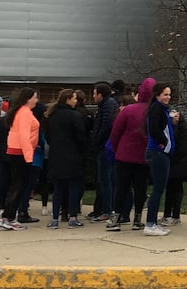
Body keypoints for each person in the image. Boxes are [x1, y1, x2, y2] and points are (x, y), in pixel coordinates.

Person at [108, 79, 152, 232]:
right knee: (140, 188)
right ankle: (138, 218)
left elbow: (116, 132)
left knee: (121, 187)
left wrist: (117, 148)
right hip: (144, 156)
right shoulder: (152, 111)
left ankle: (116, 217)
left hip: (124, 154)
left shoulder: (128, 110)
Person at [45, 88, 88, 228]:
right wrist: (82, 151)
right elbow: (80, 137)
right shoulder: (74, 116)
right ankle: (73, 216)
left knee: (58, 187)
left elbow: (48, 137)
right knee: (73, 187)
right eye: (74, 98)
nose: (76, 101)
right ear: (68, 99)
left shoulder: (52, 115)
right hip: (72, 155)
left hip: (56, 155)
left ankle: (55, 218)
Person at [0, 87, 40, 230]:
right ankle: (9, 217)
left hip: (17, 151)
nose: (37, 100)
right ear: (28, 98)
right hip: (21, 153)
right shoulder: (24, 113)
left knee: (17, 185)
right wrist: (29, 156)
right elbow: (24, 135)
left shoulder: (22, 112)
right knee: (19, 186)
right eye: (35, 97)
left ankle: (8, 216)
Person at [142, 81, 178, 236]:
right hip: (157, 152)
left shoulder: (162, 109)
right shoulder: (157, 109)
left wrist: (173, 122)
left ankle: (153, 222)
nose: (168, 97)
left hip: (159, 152)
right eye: (165, 94)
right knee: (158, 189)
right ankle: (150, 224)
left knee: (159, 188)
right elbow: (154, 129)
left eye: (169, 94)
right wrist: (163, 143)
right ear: (157, 95)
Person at [88, 79, 123, 222]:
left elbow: (106, 126)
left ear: (101, 95)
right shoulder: (107, 105)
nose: (93, 96)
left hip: (105, 148)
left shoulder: (108, 106)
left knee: (105, 179)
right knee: (107, 179)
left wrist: (96, 140)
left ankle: (107, 210)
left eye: (95, 94)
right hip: (105, 146)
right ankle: (108, 208)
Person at [163, 105, 187, 227]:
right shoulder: (168, 111)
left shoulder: (171, 113)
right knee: (174, 182)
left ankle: (170, 215)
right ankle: (172, 215)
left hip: (182, 151)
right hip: (183, 149)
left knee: (173, 181)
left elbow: (173, 134)